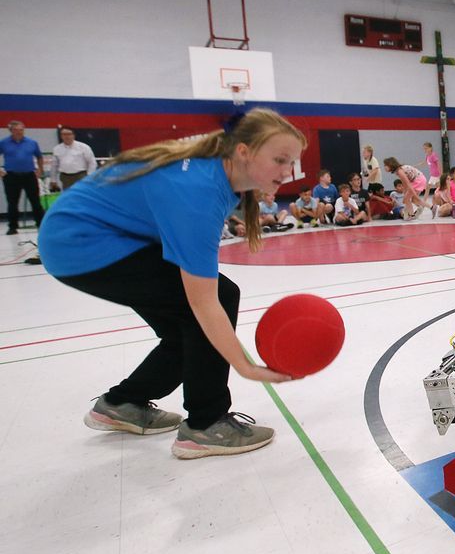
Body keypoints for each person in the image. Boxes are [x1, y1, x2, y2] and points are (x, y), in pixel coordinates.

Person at [37, 108, 305, 459]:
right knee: (219, 299)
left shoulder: (216, 175)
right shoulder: (198, 192)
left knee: (191, 324)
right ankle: (205, 426)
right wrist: (244, 365)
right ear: (243, 152)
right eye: (280, 160)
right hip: (81, 243)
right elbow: (203, 302)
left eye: (292, 162)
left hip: (91, 238)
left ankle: (122, 403)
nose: (288, 172)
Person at [0, 120, 46, 235]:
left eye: (21, 130)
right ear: (11, 131)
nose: (19, 132)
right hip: (11, 176)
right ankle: (13, 227)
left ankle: (41, 224)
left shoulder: (31, 142)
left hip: (29, 175)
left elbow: (39, 156)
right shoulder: (4, 143)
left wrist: (40, 169)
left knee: (35, 201)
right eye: (16, 130)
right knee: (12, 202)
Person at [50, 126, 98, 191]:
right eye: (64, 134)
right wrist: (53, 180)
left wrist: (89, 176)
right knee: (68, 195)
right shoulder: (57, 149)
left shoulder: (83, 147)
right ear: (61, 136)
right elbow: (54, 166)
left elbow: (92, 162)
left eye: (69, 134)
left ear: (73, 135)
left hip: (80, 175)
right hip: (65, 177)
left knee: (82, 194)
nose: (66, 136)